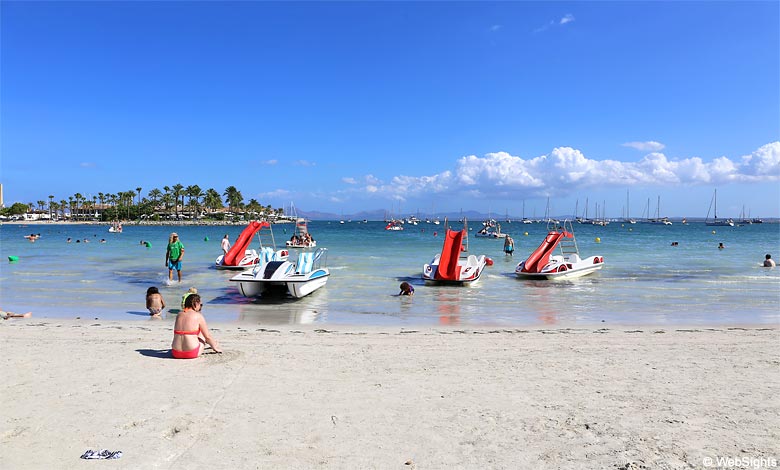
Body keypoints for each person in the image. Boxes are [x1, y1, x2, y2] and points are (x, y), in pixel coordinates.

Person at [171, 294, 221, 359]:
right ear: (196, 303)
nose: (200, 307)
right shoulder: (198, 316)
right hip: (191, 353)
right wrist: (215, 348)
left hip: (176, 353)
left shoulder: (179, 315)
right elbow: (207, 337)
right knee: (202, 334)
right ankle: (214, 345)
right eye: (201, 305)